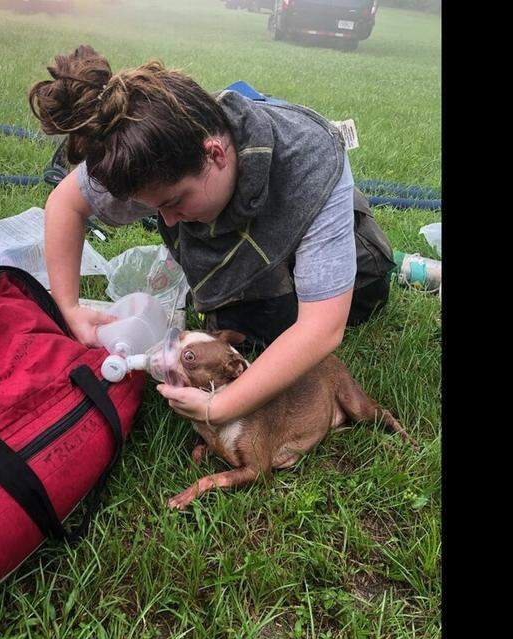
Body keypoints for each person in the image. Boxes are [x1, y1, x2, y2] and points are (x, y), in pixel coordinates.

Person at [28, 45, 395, 427]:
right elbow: (65, 205)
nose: (167, 222)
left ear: (216, 154)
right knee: (253, 332)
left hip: (315, 214)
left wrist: (221, 406)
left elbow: (322, 327)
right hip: (238, 243)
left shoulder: (311, 162)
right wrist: (69, 308)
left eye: (174, 202)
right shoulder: (143, 151)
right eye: (157, 209)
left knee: (362, 294)